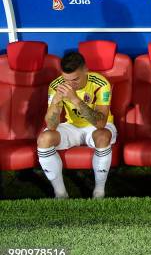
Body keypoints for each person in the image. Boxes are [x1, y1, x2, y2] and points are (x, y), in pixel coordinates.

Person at [37, 52, 116, 199]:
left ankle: (99, 192)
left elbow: (100, 123)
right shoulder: (56, 86)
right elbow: (52, 126)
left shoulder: (100, 83)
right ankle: (60, 194)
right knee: (44, 138)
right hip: (72, 126)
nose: (70, 84)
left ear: (86, 69)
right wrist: (55, 103)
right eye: (66, 79)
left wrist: (74, 99)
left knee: (103, 136)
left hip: (98, 127)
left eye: (75, 79)